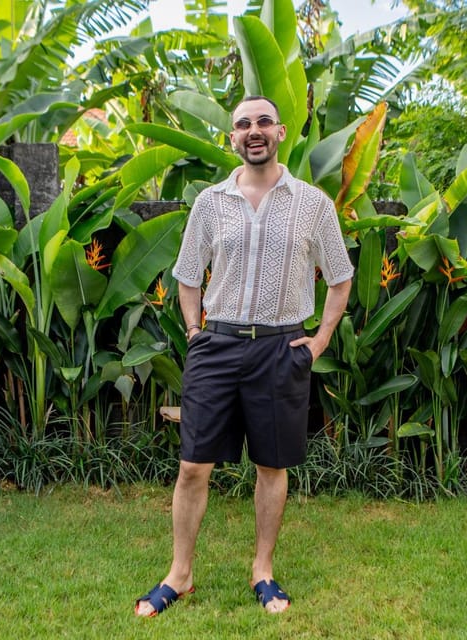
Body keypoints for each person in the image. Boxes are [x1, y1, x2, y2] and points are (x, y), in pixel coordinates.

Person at [134, 96, 354, 617]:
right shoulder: (210, 203)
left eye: (263, 122)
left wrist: (320, 340)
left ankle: (263, 571)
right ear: (232, 137)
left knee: (271, 466)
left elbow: (341, 277)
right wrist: (195, 331)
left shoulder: (313, 204)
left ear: (280, 132)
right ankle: (180, 575)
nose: (253, 131)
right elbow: (188, 276)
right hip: (218, 345)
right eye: (243, 124)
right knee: (192, 466)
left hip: (281, 348)